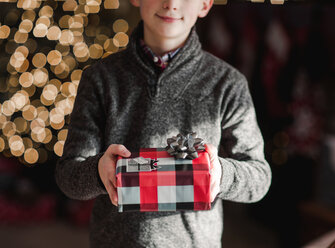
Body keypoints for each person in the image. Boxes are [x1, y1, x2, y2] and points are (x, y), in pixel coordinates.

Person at [55, 0, 272, 246]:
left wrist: (221, 174)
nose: (171, 4)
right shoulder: (99, 79)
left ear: (205, 4)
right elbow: (68, 175)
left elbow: (259, 177)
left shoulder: (229, 84)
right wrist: (97, 171)